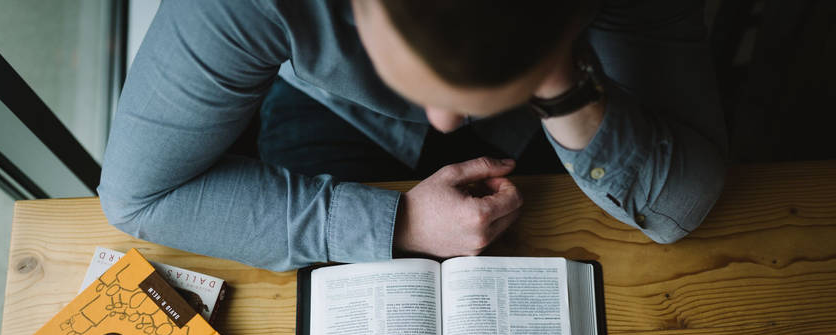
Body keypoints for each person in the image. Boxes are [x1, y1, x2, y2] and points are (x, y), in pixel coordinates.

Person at [98, 0, 726, 271]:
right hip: (333, 112)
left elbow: (680, 209)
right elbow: (138, 197)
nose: (449, 125)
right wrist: (395, 224)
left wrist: (561, 85)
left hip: (548, 106)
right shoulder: (237, 8)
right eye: (430, 87)